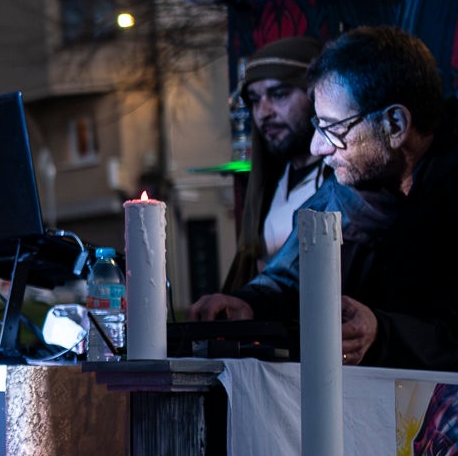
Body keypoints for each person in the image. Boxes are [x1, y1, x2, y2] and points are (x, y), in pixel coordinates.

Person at [192, 27, 457, 369]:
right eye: (317, 125)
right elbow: (289, 278)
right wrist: (248, 304)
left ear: (395, 124)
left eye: (332, 128)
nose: (318, 147)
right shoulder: (349, 191)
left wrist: (383, 333)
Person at [221, 36, 324, 290]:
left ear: (316, 95)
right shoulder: (271, 184)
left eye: (278, 95)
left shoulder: (343, 181)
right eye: (255, 100)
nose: (263, 112)